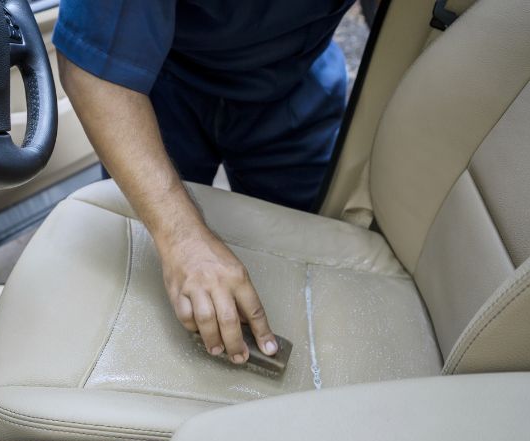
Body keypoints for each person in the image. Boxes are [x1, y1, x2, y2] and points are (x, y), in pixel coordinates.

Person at [54, 0, 353, 365]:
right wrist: (182, 239)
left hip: (294, 82)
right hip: (160, 86)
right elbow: (91, 65)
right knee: (149, 275)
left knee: (297, 273)